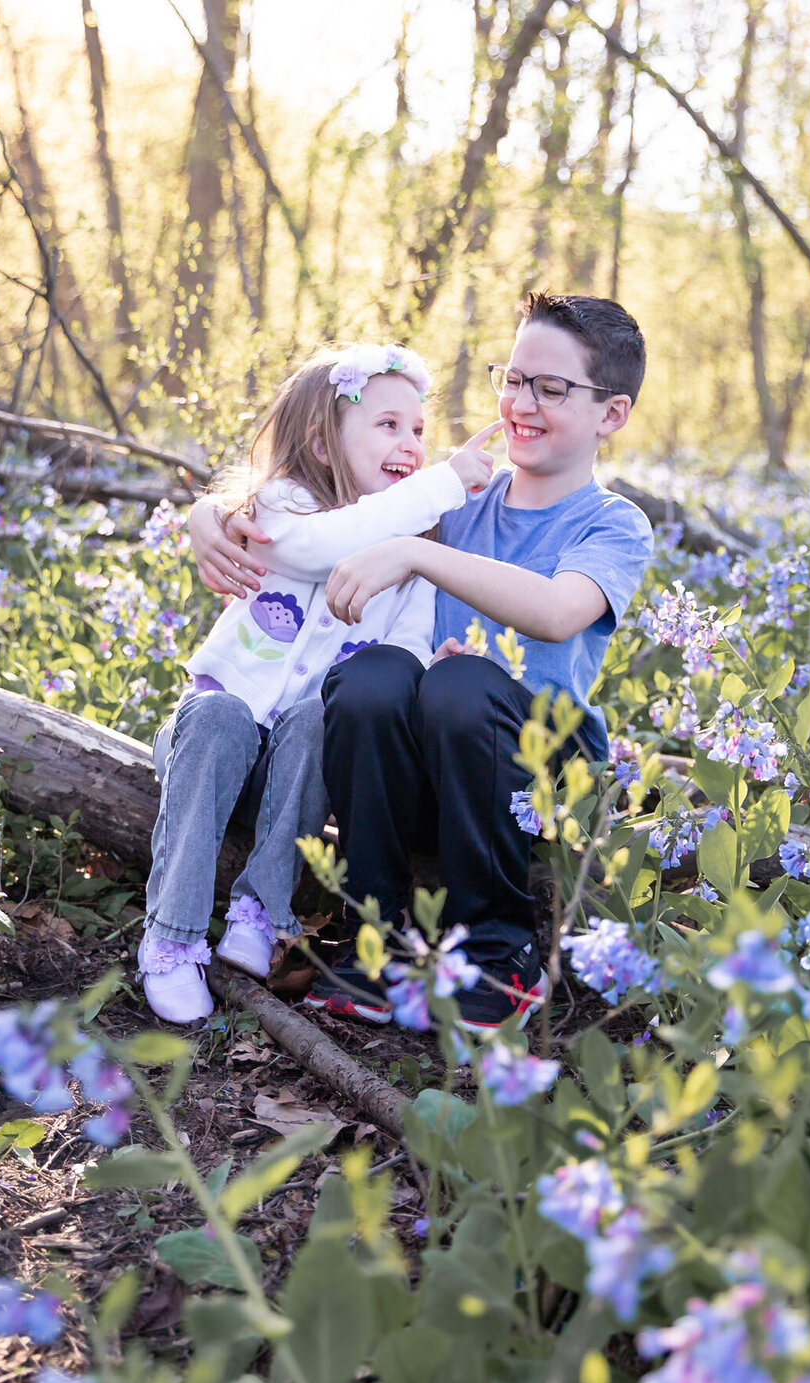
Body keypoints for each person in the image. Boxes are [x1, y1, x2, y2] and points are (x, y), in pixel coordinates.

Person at [190, 293, 653, 1035]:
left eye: (553, 388)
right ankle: (378, 940)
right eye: (514, 378)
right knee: (371, 675)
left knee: (462, 683)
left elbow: (559, 611)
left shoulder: (612, 523)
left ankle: (498, 951)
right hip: (426, 772)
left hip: (533, 777)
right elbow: (321, 512)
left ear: (612, 414)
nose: (521, 403)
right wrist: (209, 518)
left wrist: (417, 551)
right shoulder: (456, 499)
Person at [139, 342, 496, 1024]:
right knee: (218, 716)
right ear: (324, 446)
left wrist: (432, 666)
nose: (411, 444)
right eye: (387, 426)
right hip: (210, 753)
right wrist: (446, 480)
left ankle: (259, 912)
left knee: (318, 716)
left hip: (300, 777)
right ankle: (171, 939)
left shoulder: (415, 554)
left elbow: (400, 654)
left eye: (419, 430)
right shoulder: (281, 508)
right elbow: (327, 545)